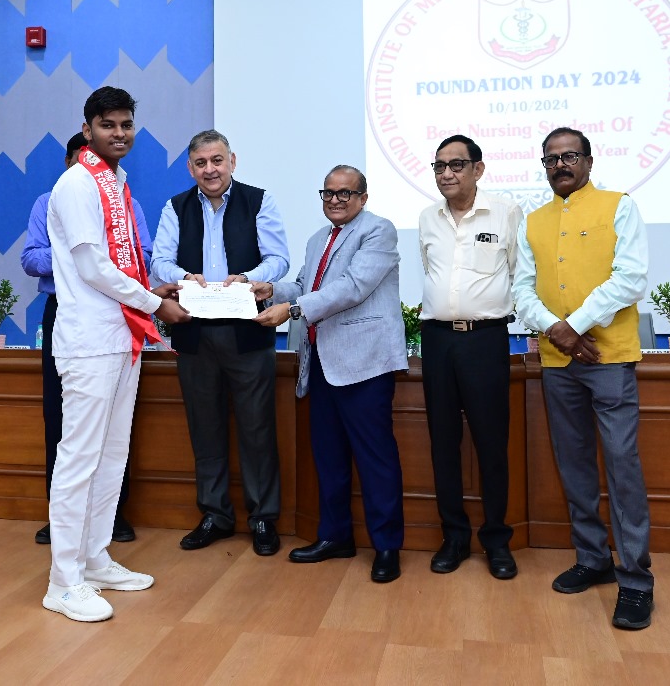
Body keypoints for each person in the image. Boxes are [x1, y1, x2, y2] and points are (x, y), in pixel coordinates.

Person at [42, 86, 190, 623]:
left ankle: (95, 559)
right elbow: (92, 268)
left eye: (126, 124)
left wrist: (154, 291)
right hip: (89, 341)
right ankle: (63, 582)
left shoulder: (116, 181)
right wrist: (155, 303)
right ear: (88, 130)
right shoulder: (77, 183)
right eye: (108, 125)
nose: (119, 133)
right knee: (79, 458)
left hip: (123, 337)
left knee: (112, 455)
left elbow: (119, 266)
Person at [512, 126, 655, 631]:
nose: (560, 165)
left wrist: (575, 325)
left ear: (589, 161)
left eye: (569, 156)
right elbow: (522, 290)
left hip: (609, 358)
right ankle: (593, 559)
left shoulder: (619, 207)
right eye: (551, 159)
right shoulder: (533, 221)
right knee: (573, 465)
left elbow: (631, 278)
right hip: (558, 361)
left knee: (621, 465)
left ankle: (635, 581)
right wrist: (558, 331)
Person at [252, 166, 408, 583]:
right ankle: (335, 536)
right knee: (329, 456)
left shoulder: (379, 231)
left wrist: (293, 309)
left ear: (363, 197)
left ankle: (387, 546)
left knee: (375, 458)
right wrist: (271, 290)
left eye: (345, 193)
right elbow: (306, 284)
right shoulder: (318, 238)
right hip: (321, 362)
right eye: (328, 193)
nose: (335, 200)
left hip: (365, 363)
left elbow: (353, 287)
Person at [151, 129, 290, 556]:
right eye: (201, 163)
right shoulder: (175, 207)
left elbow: (279, 258)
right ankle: (215, 514)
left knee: (257, 429)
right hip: (194, 333)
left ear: (232, 160)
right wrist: (182, 277)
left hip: (247, 332)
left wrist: (247, 277)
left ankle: (263, 517)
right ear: (190, 168)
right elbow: (159, 260)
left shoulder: (259, 200)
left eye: (217, 160)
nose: (210, 170)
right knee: (205, 428)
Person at [22, 130, 152, 546]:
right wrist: (75, 254)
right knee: (62, 418)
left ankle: (111, 518)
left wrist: (101, 258)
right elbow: (31, 258)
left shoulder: (127, 202)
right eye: (81, 157)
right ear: (70, 163)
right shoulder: (50, 200)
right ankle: (61, 519)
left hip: (119, 310)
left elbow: (144, 256)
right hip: (68, 311)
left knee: (114, 423)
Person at [418, 133, 523, 580]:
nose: (446, 174)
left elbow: (520, 273)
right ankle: (454, 538)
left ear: (478, 169)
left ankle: (496, 540)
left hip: (485, 340)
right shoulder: (427, 218)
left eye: (456, 165)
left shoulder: (506, 212)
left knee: (491, 443)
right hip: (438, 340)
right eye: (439, 166)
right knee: (443, 442)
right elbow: (431, 273)